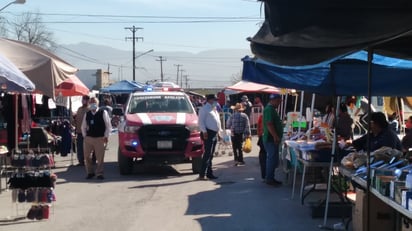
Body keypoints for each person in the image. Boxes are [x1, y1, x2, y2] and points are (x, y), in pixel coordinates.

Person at [81, 97, 112, 180]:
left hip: (100, 138)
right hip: (89, 138)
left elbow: (108, 126)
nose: (92, 104)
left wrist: (106, 136)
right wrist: (85, 136)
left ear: (98, 103)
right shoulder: (87, 114)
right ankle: (90, 172)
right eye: (91, 102)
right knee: (87, 156)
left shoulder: (103, 112)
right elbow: (83, 126)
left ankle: (99, 173)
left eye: (94, 102)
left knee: (100, 157)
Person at [197, 94, 221, 180]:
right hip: (208, 133)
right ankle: (202, 174)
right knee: (207, 154)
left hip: (214, 133)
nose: (216, 102)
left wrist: (219, 132)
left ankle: (209, 173)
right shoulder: (204, 109)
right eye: (214, 100)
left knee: (211, 154)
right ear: (210, 100)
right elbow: (201, 122)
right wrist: (204, 132)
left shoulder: (214, 109)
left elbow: (217, 122)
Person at [263, 94, 283, 186]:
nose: (279, 103)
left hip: (272, 138)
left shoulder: (271, 109)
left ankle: (271, 177)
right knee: (272, 158)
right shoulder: (269, 109)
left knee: (273, 158)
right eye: (279, 101)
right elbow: (269, 124)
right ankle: (269, 179)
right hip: (270, 138)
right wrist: (275, 136)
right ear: (273, 100)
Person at [74, 95, 89, 166]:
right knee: (79, 147)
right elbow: (76, 119)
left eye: (85, 99)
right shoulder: (79, 109)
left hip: (87, 132)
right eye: (83, 99)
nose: (83, 101)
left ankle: (90, 160)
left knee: (88, 147)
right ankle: (81, 161)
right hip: (79, 131)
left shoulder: (89, 109)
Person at [257, 114, 266, 179]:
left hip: (261, 136)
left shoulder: (261, 116)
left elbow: (258, 126)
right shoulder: (265, 115)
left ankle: (264, 175)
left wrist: (259, 133)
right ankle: (265, 175)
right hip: (265, 137)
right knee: (265, 156)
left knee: (262, 154)